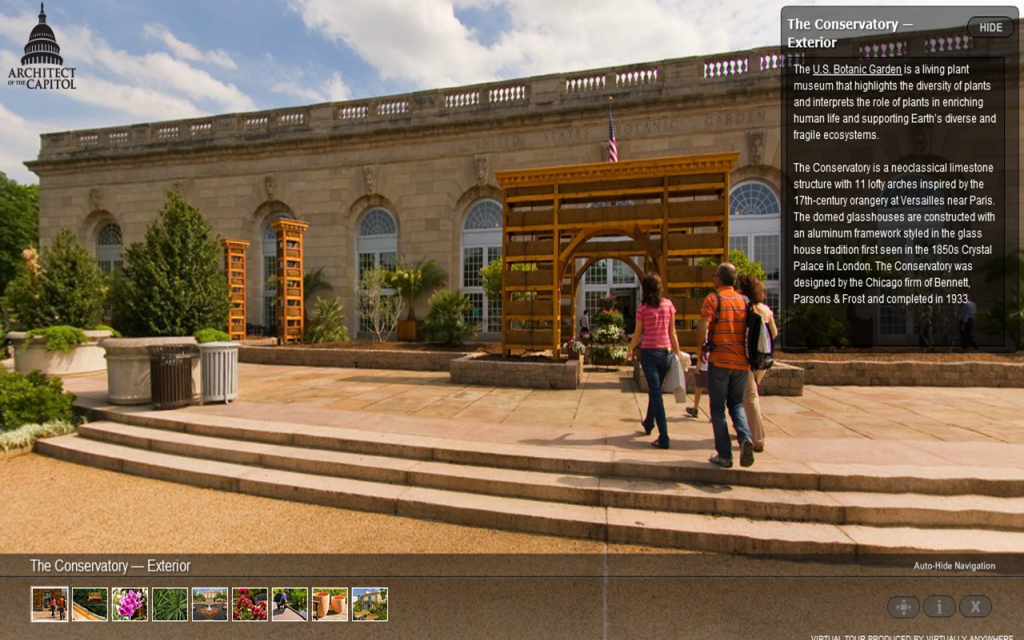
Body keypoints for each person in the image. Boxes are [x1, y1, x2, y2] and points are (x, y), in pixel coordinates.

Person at [698, 262, 755, 468]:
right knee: (736, 404)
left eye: (715, 275)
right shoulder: (745, 301)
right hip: (742, 364)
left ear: (720, 279)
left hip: (720, 361)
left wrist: (701, 349)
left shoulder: (713, 299)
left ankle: (724, 455)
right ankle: (745, 437)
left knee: (717, 409)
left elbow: (703, 325)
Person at [626, 272, 683, 449]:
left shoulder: (642, 309)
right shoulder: (668, 305)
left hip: (649, 354)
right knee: (655, 391)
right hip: (666, 354)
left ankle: (664, 437)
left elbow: (637, 334)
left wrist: (629, 349)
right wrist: (678, 353)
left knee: (656, 394)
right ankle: (649, 423)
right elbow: (672, 332)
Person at [736, 275, 778, 453]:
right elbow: (774, 333)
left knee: (749, 396)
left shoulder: (746, 309)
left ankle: (757, 437)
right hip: (762, 359)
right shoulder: (765, 310)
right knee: (750, 395)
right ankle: (748, 429)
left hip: (747, 359)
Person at [686, 343, 709, 418]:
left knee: (698, 389)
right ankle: (714, 413)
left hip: (703, 370)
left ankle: (695, 408)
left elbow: (700, 358)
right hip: (712, 370)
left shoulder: (703, 344)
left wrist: (697, 369)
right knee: (713, 393)